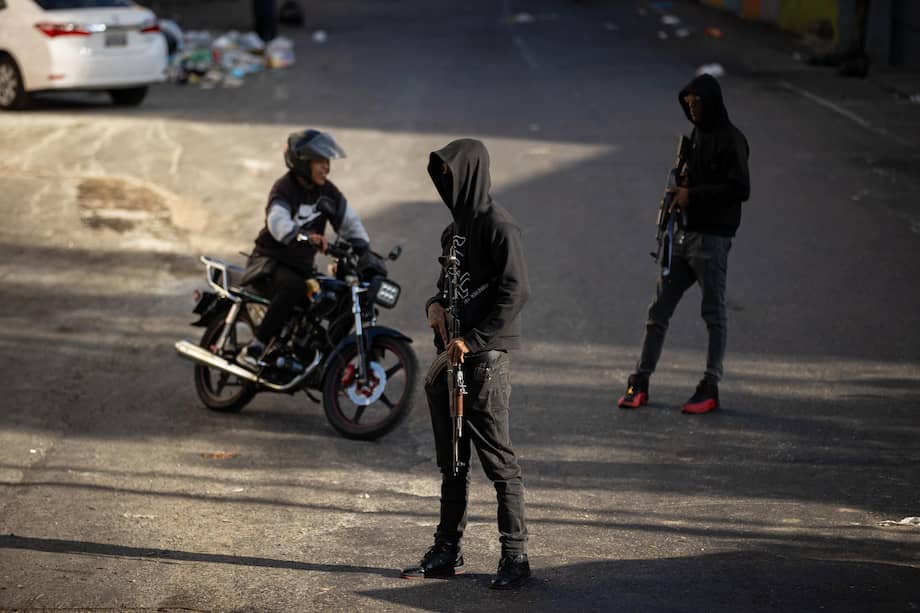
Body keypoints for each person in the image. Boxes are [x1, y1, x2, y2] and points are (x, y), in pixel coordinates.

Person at [400, 139, 532, 589]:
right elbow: (445, 287)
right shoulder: (452, 231)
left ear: (471, 173)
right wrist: (433, 307)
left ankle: (515, 557)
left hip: (484, 364)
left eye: (452, 174)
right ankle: (446, 551)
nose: (446, 182)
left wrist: (472, 340)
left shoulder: (500, 227)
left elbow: (515, 293)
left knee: (499, 465)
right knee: (453, 463)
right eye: (441, 176)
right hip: (449, 365)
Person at [618, 74, 750, 414]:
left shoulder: (731, 140)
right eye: (687, 105)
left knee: (713, 314)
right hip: (683, 236)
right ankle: (641, 379)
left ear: (711, 103)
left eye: (697, 105)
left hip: (712, 240)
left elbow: (739, 189)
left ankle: (710, 385)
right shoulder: (697, 135)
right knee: (658, 311)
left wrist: (694, 195)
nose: (692, 111)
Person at [238, 129, 370, 368]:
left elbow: (350, 224)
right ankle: (255, 347)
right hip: (269, 262)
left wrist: (364, 250)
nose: (326, 168)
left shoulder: (328, 193)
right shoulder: (285, 188)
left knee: (334, 295)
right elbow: (278, 223)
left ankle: (317, 357)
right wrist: (306, 236)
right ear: (302, 162)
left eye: (327, 162)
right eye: (320, 161)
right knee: (293, 288)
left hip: (301, 267)